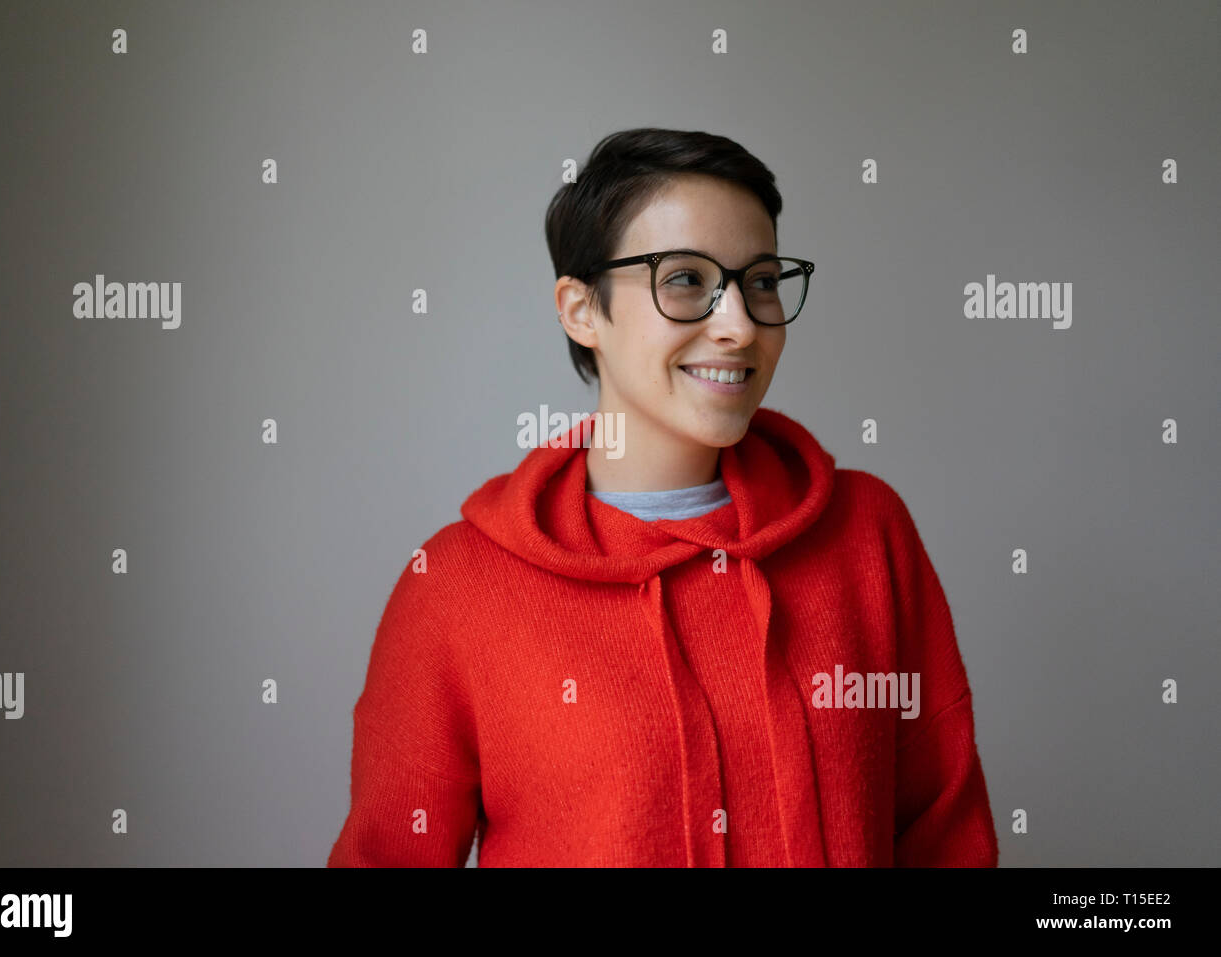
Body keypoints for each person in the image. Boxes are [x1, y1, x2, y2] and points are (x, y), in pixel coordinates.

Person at [327, 127, 999, 867]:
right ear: (581, 309)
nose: (739, 325)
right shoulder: (455, 588)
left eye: (763, 281)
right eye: (684, 279)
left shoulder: (867, 533)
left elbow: (946, 838)